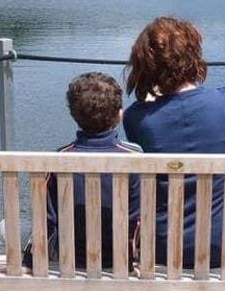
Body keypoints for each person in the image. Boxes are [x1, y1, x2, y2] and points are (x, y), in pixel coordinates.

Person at [122, 16, 225, 291]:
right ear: (194, 56)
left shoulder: (137, 119)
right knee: (224, 212)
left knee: (165, 209)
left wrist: (152, 97)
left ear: (146, 67)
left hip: (161, 247)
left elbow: (155, 116)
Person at [22, 72, 141, 269]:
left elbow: (46, 219)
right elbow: (137, 218)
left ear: (73, 115)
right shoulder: (135, 160)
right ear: (120, 115)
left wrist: (28, 262)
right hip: (120, 258)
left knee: (6, 230)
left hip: (69, 257)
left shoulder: (59, 159)